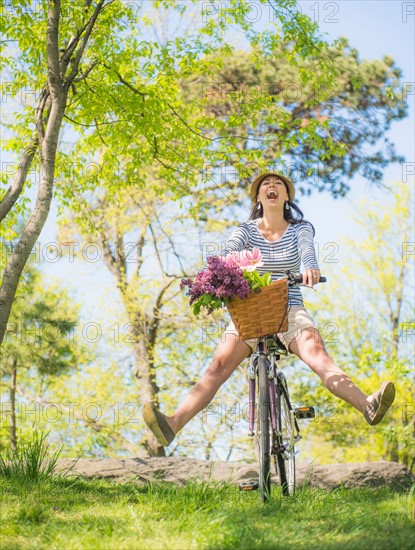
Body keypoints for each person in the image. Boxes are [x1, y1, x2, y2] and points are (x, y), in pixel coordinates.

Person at [142, 172, 396, 446]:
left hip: (290, 308)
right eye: (266, 184)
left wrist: (310, 267)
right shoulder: (246, 230)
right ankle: (173, 423)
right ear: (259, 197)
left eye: (278, 184)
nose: (272, 186)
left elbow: (306, 249)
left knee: (319, 356)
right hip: (250, 310)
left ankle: (366, 405)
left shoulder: (300, 228)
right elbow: (230, 250)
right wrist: (220, 272)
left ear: (286, 196)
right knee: (216, 367)